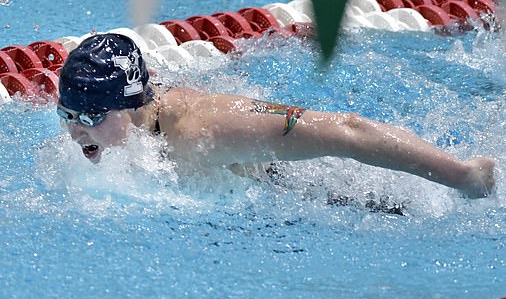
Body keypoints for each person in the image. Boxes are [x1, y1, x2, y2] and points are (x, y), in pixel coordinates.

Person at [57, 32, 496, 198]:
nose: (76, 130)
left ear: (132, 105)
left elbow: (346, 129)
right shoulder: (124, 128)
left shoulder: (203, 129)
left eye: (91, 116)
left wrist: (460, 176)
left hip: (343, 195)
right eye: (66, 113)